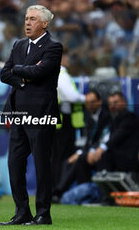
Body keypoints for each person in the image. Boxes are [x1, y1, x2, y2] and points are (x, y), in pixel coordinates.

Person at [0, 5, 63, 225]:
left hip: (41, 113)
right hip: (18, 111)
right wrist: (23, 75)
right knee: (14, 163)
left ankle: (43, 213)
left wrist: (18, 70)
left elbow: (41, 71)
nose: (27, 23)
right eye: (26, 18)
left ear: (44, 24)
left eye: (33, 19)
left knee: (41, 164)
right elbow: (4, 74)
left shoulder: (54, 47)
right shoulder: (18, 45)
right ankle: (22, 212)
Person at [52, 48, 85, 190]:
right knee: (62, 157)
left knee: (57, 157)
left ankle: (56, 187)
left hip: (58, 122)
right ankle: (58, 188)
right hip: (63, 123)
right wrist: (86, 99)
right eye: (66, 56)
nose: (68, 59)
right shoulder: (61, 74)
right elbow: (71, 96)